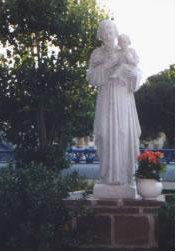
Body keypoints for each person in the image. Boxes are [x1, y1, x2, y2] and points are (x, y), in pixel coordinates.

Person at [86, 20, 141, 191]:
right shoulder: (97, 54)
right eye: (104, 31)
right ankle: (107, 177)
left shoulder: (126, 51)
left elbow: (137, 71)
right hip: (106, 98)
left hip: (123, 97)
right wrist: (109, 64)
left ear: (116, 32)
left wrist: (134, 74)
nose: (108, 33)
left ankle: (126, 178)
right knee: (104, 133)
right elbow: (92, 77)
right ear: (100, 35)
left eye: (111, 30)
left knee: (124, 133)